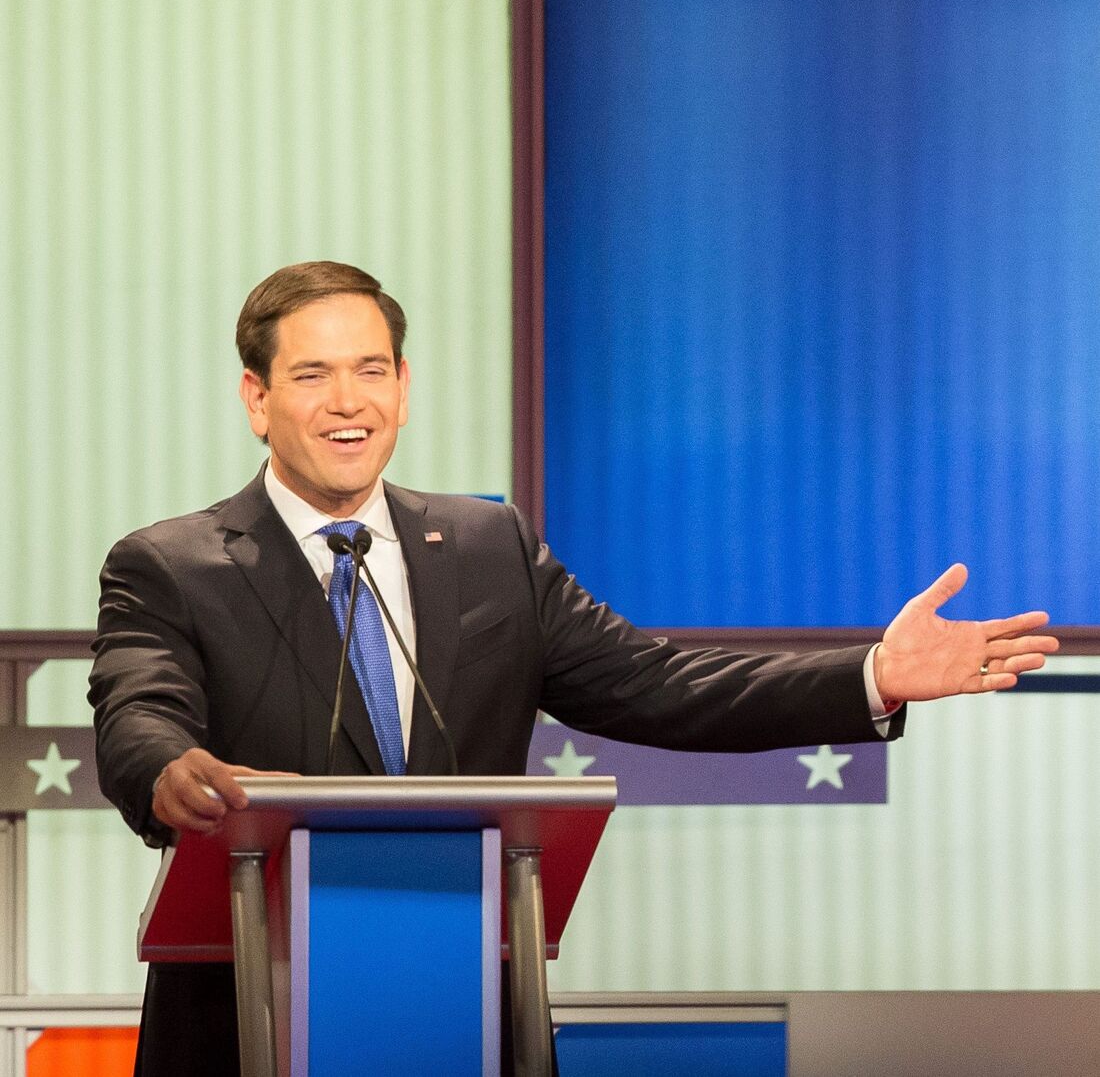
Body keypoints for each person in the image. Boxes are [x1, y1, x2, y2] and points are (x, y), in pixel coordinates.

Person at [89, 261, 1057, 1076]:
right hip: (245, 1025)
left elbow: (659, 684)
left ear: (404, 387)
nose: (349, 401)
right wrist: (169, 770)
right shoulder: (171, 565)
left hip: (464, 1013)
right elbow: (138, 713)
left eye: (371, 370)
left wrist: (871, 674)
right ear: (257, 398)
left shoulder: (487, 546)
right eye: (313, 374)